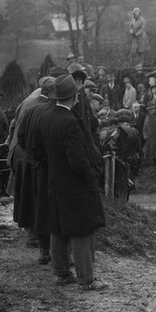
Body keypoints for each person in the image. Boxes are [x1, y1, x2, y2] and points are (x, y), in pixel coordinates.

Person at [36, 74, 108, 290]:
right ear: (74, 97)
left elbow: (39, 151)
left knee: (58, 227)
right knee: (82, 230)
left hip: (55, 181)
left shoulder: (46, 116)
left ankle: (62, 274)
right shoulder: (70, 122)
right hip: (75, 185)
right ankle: (86, 280)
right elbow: (77, 161)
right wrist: (91, 177)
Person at [12, 77, 56, 265]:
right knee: (48, 207)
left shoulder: (30, 107)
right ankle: (54, 251)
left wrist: (32, 155)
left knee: (36, 204)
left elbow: (20, 136)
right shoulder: (50, 111)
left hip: (30, 163)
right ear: (52, 92)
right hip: (45, 167)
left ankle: (42, 249)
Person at [142, 103, 156, 175]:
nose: (151, 111)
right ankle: (155, 169)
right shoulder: (147, 118)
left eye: (152, 109)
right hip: (150, 139)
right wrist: (145, 136)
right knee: (153, 154)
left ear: (155, 109)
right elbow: (145, 128)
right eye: (149, 109)